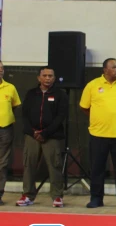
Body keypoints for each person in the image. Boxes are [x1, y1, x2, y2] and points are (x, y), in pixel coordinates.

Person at [80, 58, 116, 208]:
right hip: (98, 134)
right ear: (105, 70)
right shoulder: (92, 85)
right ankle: (96, 198)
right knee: (97, 168)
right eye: (114, 67)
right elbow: (84, 107)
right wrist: (98, 119)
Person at [16, 66, 68, 207]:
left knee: (55, 166)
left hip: (52, 136)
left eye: (50, 75)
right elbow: (24, 115)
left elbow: (60, 117)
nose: (47, 78)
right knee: (29, 165)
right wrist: (33, 132)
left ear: (54, 78)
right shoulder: (31, 94)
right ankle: (28, 195)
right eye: (44, 75)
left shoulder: (60, 94)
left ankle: (57, 196)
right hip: (32, 136)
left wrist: (45, 133)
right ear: (39, 78)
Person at [0, 61, 21, 206]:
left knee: (2, 163)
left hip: (5, 129)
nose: (0, 71)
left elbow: (14, 107)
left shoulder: (10, 87)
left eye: (1, 68)